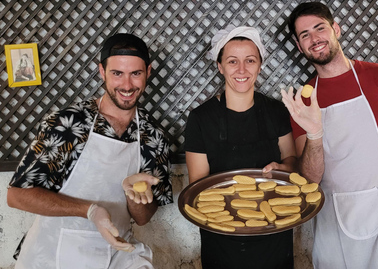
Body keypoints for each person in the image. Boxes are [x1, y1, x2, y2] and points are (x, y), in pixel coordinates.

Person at [280, 2, 378, 269]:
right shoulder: (304, 100)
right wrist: (314, 133)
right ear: (299, 47)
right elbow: (310, 179)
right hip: (333, 223)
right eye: (304, 35)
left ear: (336, 29)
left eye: (319, 28)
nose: (314, 39)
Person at [7, 33, 173, 269]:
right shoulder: (68, 124)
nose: (127, 85)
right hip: (54, 253)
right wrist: (90, 211)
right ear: (102, 72)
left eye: (135, 73)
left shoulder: (153, 137)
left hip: (117, 251)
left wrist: (134, 193)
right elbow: (16, 196)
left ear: (148, 71)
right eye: (117, 73)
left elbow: (143, 218)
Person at [184, 25, 297, 269]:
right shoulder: (200, 119)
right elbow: (198, 187)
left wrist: (280, 168)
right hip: (221, 235)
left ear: (260, 65)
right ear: (219, 66)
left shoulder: (276, 111)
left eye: (250, 60)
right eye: (232, 61)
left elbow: (292, 163)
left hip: (274, 231)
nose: (242, 70)